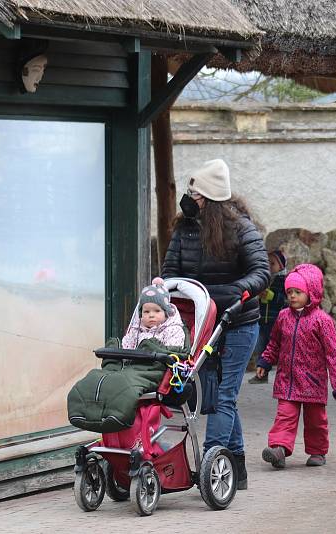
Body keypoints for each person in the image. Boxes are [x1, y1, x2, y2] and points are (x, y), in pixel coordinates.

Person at [161, 158, 270, 491]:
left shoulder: (241, 228)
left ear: (208, 200)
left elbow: (262, 273)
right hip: (201, 322)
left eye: (195, 193)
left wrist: (228, 294)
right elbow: (169, 272)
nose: (189, 197)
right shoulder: (184, 228)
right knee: (212, 397)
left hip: (237, 321)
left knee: (224, 397)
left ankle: (212, 463)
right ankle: (237, 465)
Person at [257, 263, 336, 469]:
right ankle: (278, 448)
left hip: (312, 382)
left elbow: (333, 354)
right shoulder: (282, 317)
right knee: (284, 416)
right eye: (289, 292)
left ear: (311, 292)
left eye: (298, 292)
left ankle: (317, 451)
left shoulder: (322, 321)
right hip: (287, 380)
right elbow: (275, 342)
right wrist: (265, 360)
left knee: (316, 420)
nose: (292, 296)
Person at [248, 249, 288, 384]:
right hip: (262, 320)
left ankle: (286, 376)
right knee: (262, 348)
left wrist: (271, 296)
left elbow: (285, 299)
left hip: (276, 321)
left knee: (280, 349)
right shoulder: (264, 280)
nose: (270, 266)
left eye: (273, 263)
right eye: (267, 263)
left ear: (281, 266)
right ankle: (261, 375)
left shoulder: (284, 281)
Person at [121, 277, 186, 350]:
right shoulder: (135, 330)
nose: (151, 315)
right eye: (146, 312)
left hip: (160, 360)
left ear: (166, 313)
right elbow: (126, 348)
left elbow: (173, 351)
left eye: (157, 311)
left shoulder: (173, 330)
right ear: (140, 314)